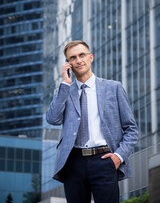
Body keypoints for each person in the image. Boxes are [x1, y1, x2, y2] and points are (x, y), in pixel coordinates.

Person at [46, 40, 138, 203]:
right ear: (68, 64)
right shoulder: (63, 91)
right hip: (73, 162)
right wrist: (65, 85)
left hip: (104, 160)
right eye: (73, 58)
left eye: (82, 55)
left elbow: (131, 129)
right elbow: (53, 119)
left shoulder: (113, 88)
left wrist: (118, 156)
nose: (78, 60)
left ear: (91, 57)